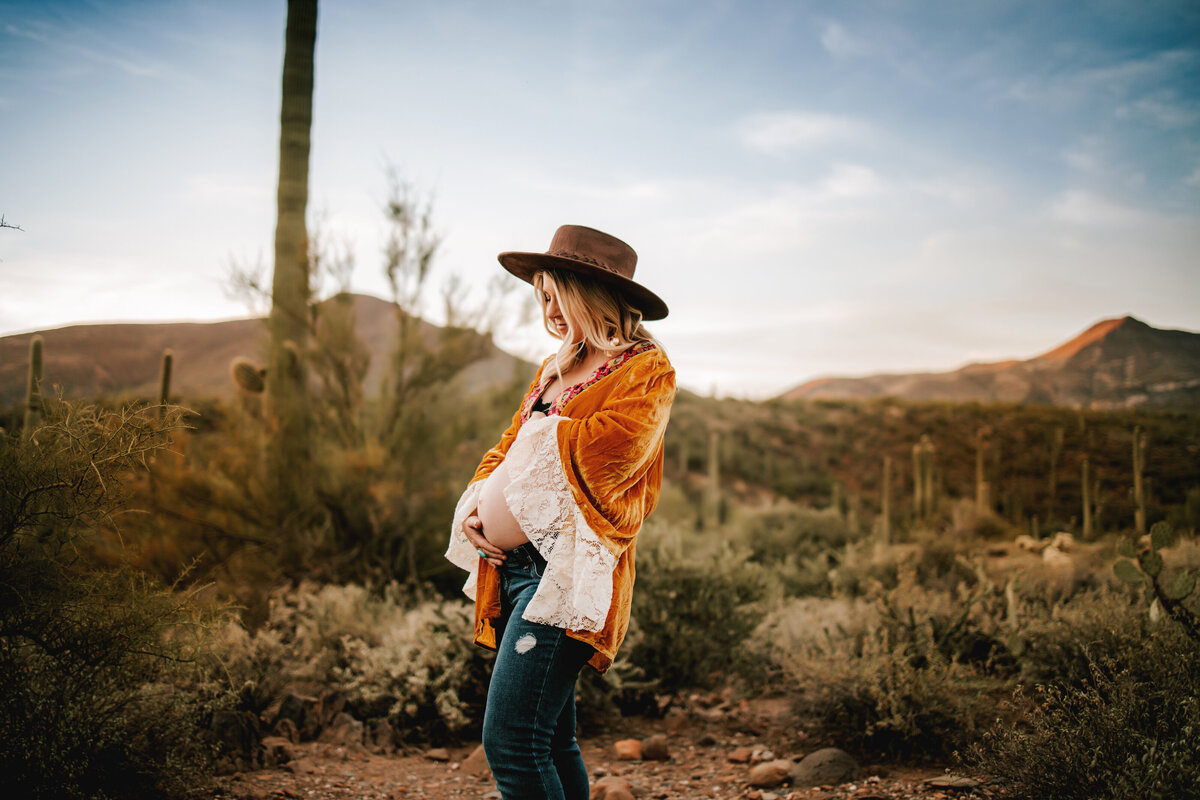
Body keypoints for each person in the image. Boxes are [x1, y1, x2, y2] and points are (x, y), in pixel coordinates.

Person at [445, 224, 676, 800]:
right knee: (550, 741)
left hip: (566, 575)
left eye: (555, 294)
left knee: (511, 744)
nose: (547, 308)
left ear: (589, 295)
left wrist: (541, 437)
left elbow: (615, 449)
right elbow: (508, 443)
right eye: (541, 295)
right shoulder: (556, 365)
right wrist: (478, 506)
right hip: (517, 568)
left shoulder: (645, 369)